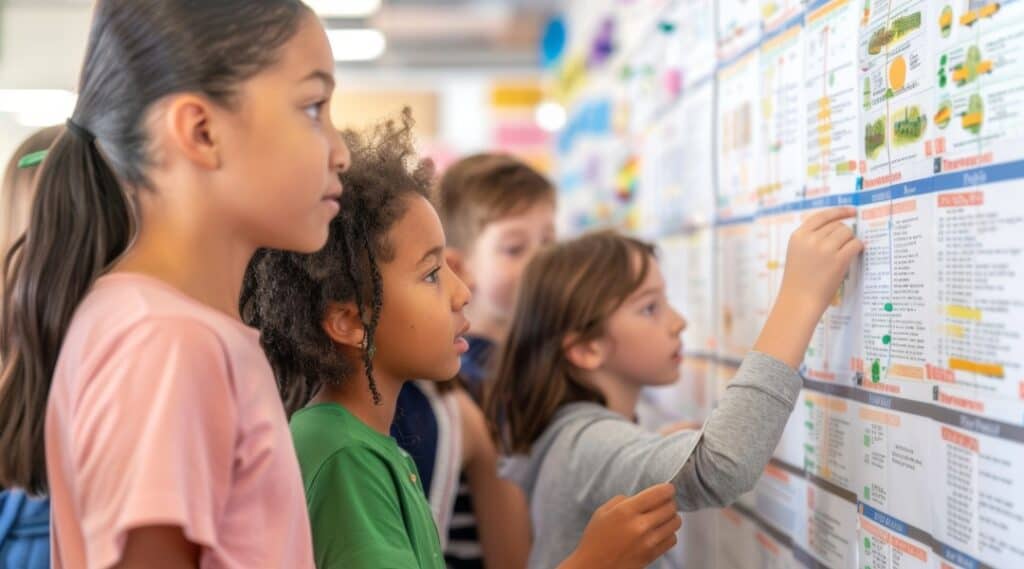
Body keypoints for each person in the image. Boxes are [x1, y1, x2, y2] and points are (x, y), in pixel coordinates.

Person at [0, 1, 351, 566]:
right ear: (202, 130)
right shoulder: (166, 342)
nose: (341, 152)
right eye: (313, 107)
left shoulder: (164, 327)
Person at [487, 210, 862, 568]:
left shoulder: (574, 435)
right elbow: (721, 467)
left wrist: (652, 446)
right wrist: (800, 299)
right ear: (586, 348)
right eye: (650, 308)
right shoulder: (585, 442)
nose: (678, 322)